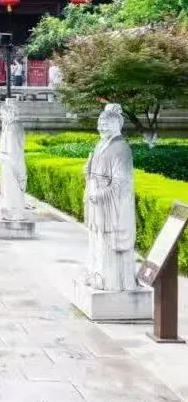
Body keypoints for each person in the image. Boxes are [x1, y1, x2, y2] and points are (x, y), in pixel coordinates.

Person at [84, 104, 138, 291]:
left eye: (106, 123)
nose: (101, 127)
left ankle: (110, 280)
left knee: (108, 243)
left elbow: (120, 183)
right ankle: (96, 273)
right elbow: (94, 173)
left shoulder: (121, 148)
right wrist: (88, 172)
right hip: (97, 203)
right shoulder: (100, 145)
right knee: (96, 239)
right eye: (100, 123)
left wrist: (100, 194)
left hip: (111, 206)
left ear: (117, 125)